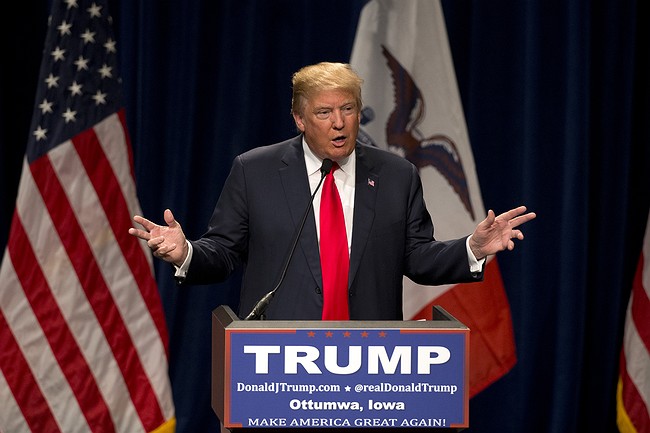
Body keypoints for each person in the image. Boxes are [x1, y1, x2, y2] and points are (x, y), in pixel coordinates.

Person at [128, 62, 536, 321]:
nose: (339, 123)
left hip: (372, 363)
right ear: (299, 119)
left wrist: (472, 248)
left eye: (348, 109)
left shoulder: (397, 175)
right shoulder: (255, 171)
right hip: (280, 360)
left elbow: (418, 257)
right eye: (324, 113)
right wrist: (186, 253)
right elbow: (224, 252)